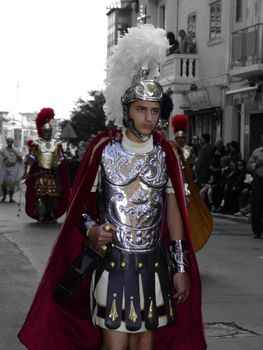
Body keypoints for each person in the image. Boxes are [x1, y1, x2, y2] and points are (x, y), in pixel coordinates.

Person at [18, 25, 206, 350]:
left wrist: (180, 267)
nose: (148, 118)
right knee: (114, 345)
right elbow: (81, 208)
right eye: (140, 109)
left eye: (154, 110)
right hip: (112, 264)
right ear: (127, 110)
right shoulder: (103, 150)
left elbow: (174, 214)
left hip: (155, 264)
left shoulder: (166, 154)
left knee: (145, 345)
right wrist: (91, 230)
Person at [170, 114, 212, 252]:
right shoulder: (171, 149)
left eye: (183, 138)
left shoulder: (189, 151)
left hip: (186, 186)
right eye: (178, 138)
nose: (181, 140)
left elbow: (190, 169)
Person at [23, 108, 70, 223]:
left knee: (53, 196)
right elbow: (32, 158)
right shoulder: (36, 144)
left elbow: (61, 157)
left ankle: (52, 213)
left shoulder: (56, 143)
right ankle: (41, 214)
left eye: (50, 132)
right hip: (41, 174)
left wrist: (57, 163)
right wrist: (27, 173)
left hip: (53, 174)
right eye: (46, 132)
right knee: (40, 196)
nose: (48, 134)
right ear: (42, 131)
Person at [247, 134, 263, 238]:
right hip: (259, 179)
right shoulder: (256, 152)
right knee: (256, 205)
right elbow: (248, 166)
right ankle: (256, 230)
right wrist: (257, 164)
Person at [0, 137, 23, 202]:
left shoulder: (16, 150)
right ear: (7, 142)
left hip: (13, 169)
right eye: (8, 142)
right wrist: (4, 158)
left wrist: (17, 155)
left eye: (11, 142)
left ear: (13, 142)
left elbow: (20, 159)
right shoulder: (3, 150)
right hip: (5, 169)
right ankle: (4, 197)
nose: (9, 143)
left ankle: (11, 198)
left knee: (12, 184)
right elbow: (0, 158)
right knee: (4, 184)